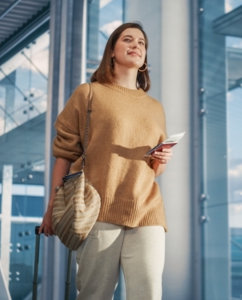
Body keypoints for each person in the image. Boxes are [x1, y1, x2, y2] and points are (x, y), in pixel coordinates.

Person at [38, 22, 172, 300]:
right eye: (128, 40)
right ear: (112, 50)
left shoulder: (155, 107)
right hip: (97, 209)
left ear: (145, 58)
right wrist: (52, 207)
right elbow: (64, 155)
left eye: (142, 43)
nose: (136, 45)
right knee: (94, 294)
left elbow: (152, 171)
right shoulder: (88, 93)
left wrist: (162, 159)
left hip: (147, 209)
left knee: (148, 294)